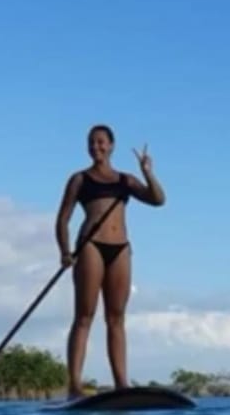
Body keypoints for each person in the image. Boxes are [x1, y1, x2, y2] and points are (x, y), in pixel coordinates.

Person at [54, 124, 166, 398]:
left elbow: (158, 200)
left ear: (112, 145)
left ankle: (121, 384)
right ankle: (75, 385)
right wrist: (65, 252)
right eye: (92, 143)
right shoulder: (79, 179)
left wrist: (147, 172)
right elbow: (63, 218)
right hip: (90, 246)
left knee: (116, 318)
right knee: (84, 316)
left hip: (121, 249)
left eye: (101, 142)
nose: (96, 147)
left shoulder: (124, 180)